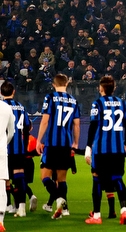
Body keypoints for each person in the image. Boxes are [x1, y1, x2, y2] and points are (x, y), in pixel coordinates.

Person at [85, 75, 126, 225]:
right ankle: (124, 211)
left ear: (101, 88)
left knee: (97, 179)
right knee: (118, 178)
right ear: (114, 88)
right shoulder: (123, 103)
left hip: (101, 149)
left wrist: (88, 147)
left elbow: (93, 126)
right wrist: (125, 143)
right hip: (118, 149)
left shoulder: (97, 103)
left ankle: (97, 215)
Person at [35, 73, 79, 219]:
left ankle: (59, 200)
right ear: (66, 84)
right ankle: (65, 209)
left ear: (54, 84)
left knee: (45, 177)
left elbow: (45, 121)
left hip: (52, 144)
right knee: (62, 179)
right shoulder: (73, 100)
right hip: (66, 144)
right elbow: (76, 124)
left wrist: (38, 140)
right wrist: (76, 143)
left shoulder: (50, 97)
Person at [1, 82, 29, 218]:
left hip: (4, 148)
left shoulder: (1, 107)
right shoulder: (21, 107)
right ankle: (21, 207)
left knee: (5, 179)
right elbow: (27, 127)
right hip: (19, 148)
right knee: (19, 177)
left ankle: (8, 206)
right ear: (14, 91)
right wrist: (26, 145)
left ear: (1, 93)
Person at [0, 85, 14, 232]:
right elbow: (11, 131)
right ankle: (0, 222)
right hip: (1, 151)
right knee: (1, 184)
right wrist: (4, 143)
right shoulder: (5, 107)